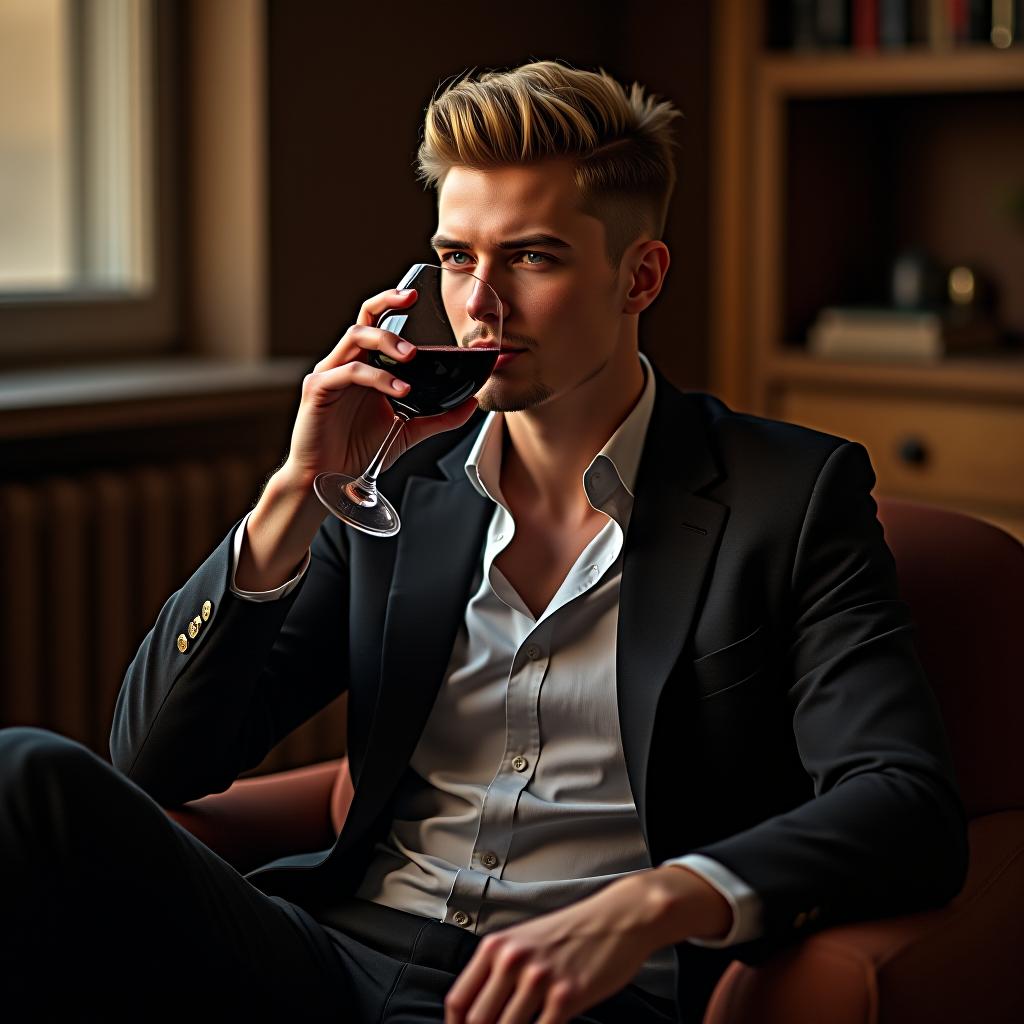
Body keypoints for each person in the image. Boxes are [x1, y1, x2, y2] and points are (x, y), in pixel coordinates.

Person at [0, 61, 967, 1023]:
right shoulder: (397, 488)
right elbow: (153, 764)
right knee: (26, 775)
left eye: (532, 258)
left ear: (641, 276)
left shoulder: (789, 497)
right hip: (332, 952)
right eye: (458, 258)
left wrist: (661, 899)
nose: (480, 305)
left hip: (573, 999)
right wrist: (295, 492)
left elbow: (903, 800)